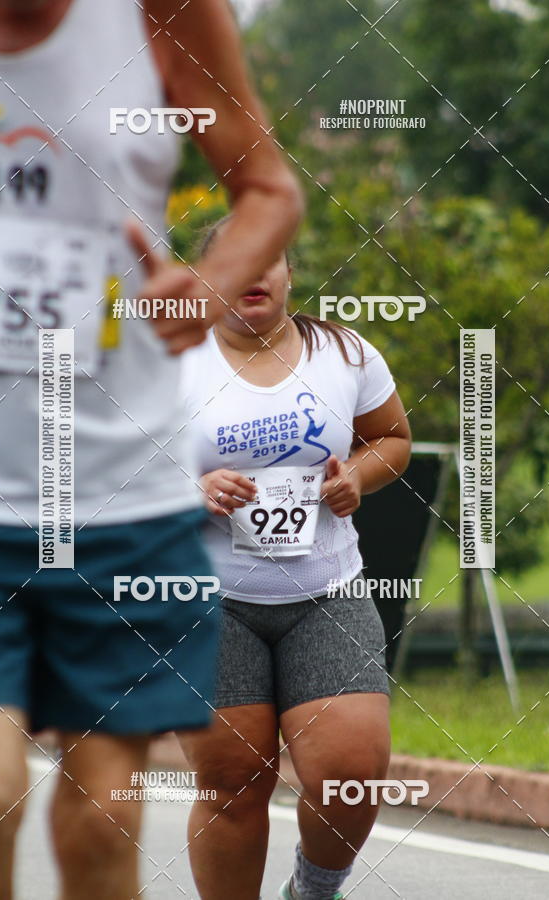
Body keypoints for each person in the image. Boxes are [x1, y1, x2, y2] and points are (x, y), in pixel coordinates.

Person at [0, 2, 302, 897]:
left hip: (124, 497)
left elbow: (268, 187)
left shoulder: (161, 10)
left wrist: (209, 286)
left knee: (104, 817)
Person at [178, 219, 412, 900]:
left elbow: (392, 438)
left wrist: (356, 477)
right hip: (209, 602)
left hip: (326, 593)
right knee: (232, 784)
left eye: (267, 259)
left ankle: (312, 888)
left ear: (289, 273)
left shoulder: (346, 353)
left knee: (350, 775)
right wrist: (191, 489)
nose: (253, 274)